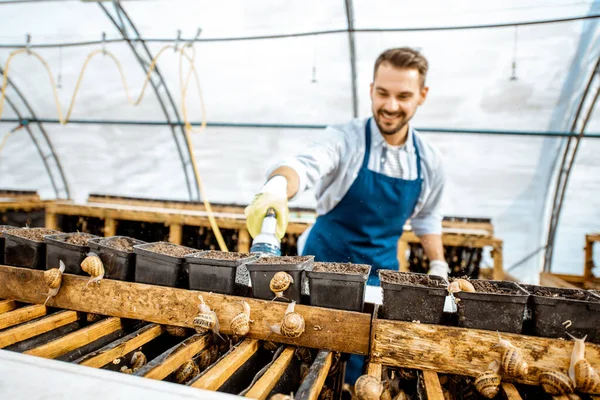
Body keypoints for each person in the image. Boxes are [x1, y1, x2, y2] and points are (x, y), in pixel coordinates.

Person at [245, 47, 447, 382]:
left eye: (403, 96)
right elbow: (303, 165)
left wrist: (438, 263)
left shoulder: (429, 161)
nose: (391, 106)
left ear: (422, 96)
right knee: (307, 356)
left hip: (380, 280)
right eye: (382, 93)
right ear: (371, 89)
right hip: (322, 269)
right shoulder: (346, 140)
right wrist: (278, 187)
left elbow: (427, 217)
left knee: (361, 366)